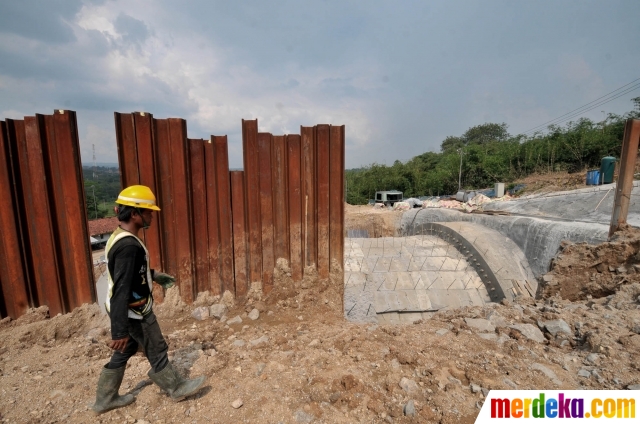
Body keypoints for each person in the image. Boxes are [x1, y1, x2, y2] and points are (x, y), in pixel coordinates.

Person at [92, 185, 205, 414]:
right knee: (156, 347)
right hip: (135, 311)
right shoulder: (128, 247)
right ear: (135, 213)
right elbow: (121, 290)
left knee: (126, 351)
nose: (151, 216)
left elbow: (128, 274)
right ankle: (176, 387)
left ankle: (105, 399)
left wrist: (152, 275)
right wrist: (119, 331)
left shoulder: (119, 237)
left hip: (129, 309)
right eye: (148, 212)